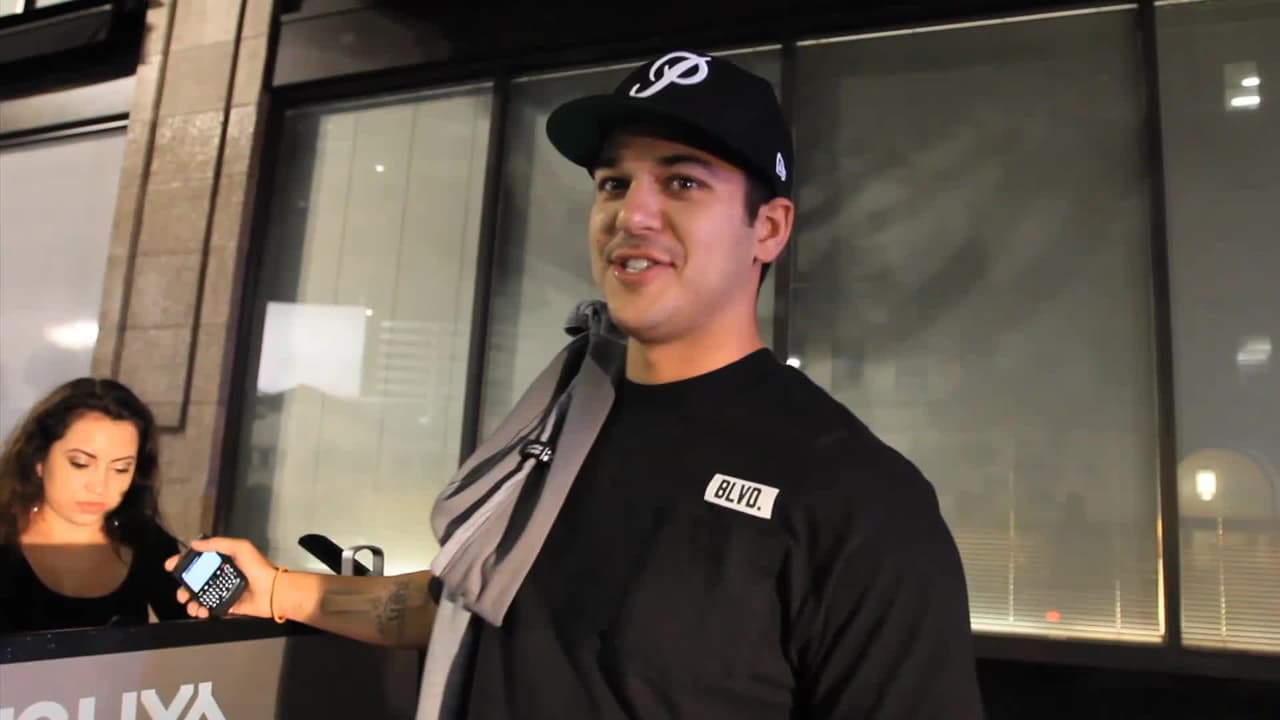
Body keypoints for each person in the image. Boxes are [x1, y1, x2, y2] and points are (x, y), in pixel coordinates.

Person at [169, 50, 986, 718]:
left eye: (682, 181)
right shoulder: (556, 428)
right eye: (613, 183)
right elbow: (469, 603)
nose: (632, 214)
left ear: (767, 228)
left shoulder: (856, 499)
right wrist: (275, 591)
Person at [0, 377, 187, 633]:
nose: (100, 486)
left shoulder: (146, 540)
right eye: (80, 464)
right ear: (39, 459)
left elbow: (201, 641)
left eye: (121, 468)